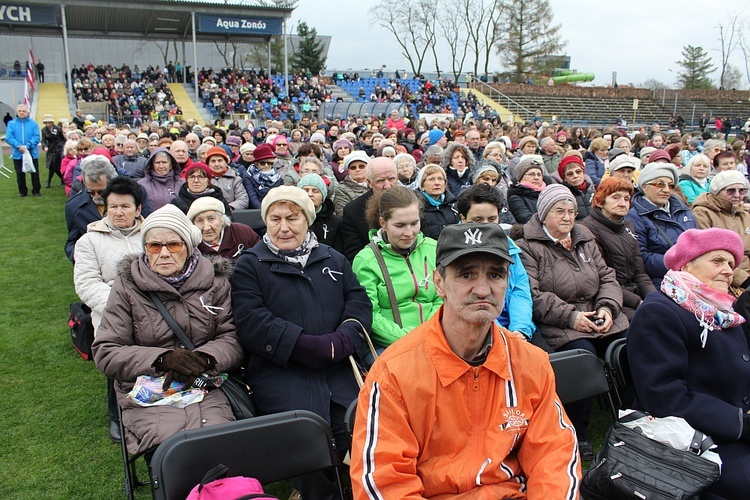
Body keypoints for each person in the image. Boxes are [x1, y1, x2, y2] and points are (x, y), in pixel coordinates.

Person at [350, 223, 580, 499]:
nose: (482, 290)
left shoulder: (531, 362)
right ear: (439, 283)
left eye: (495, 274)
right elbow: (383, 483)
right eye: (466, 274)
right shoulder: (394, 373)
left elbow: (554, 456)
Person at [231, 186, 372, 499]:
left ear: (307, 220)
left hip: (338, 365)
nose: (284, 227)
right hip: (282, 370)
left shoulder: (332, 258)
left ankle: (358, 488)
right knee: (307, 434)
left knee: (359, 422)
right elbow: (251, 320)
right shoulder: (251, 265)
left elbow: (358, 301)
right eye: (275, 219)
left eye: (292, 218)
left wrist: (344, 338)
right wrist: (305, 346)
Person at [92, 204, 244, 456]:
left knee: (221, 444)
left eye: (173, 245)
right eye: (154, 246)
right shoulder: (127, 287)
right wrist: (161, 359)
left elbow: (232, 336)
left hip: (204, 384)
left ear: (188, 246)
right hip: (149, 390)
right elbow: (107, 351)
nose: (163, 253)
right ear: (145, 249)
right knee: (175, 453)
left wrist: (206, 358)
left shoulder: (215, 282)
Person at [628, 228, 750, 498]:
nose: (729, 270)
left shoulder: (722, 313)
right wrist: (740, 422)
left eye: (731, 264)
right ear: (686, 264)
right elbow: (664, 395)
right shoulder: (660, 312)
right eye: (717, 261)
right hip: (695, 439)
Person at [516, 184, 629, 459]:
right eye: (559, 211)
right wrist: (572, 317)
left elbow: (606, 276)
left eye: (571, 211)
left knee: (631, 347)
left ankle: (632, 415)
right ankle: (578, 430)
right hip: (560, 323)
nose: (567, 217)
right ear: (543, 215)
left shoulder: (583, 237)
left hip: (598, 314)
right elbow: (534, 295)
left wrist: (607, 308)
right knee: (581, 358)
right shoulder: (527, 246)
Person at [73, 176, 145, 442]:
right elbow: (87, 283)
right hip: (113, 315)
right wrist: (124, 306)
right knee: (119, 365)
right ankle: (116, 414)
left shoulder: (151, 234)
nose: (118, 212)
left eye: (125, 206)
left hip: (155, 310)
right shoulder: (90, 241)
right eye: (112, 206)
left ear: (138, 209)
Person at [352, 187, 442, 349]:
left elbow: (444, 298)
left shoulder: (433, 248)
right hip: (391, 346)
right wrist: (411, 339)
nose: (409, 232)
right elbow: (370, 314)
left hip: (436, 336)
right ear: (383, 223)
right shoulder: (366, 260)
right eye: (400, 225)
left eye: (414, 223)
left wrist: (430, 332)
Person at [456, 184, 536, 341]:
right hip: (478, 330)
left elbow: (520, 290)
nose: (487, 226)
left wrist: (520, 328)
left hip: (515, 328)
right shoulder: (454, 252)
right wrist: (501, 334)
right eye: (478, 220)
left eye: (492, 219)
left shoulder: (510, 247)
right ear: (463, 218)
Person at [581, 178, 656, 320]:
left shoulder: (628, 226)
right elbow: (599, 279)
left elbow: (640, 273)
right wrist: (638, 302)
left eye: (627, 199)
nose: (622, 203)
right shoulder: (587, 230)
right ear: (600, 201)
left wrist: (653, 297)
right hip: (608, 298)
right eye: (616, 197)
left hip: (633, 293)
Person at [627, 162, 697, 288]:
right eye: (659, 184)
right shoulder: (635, 216)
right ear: (644, 186)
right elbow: (643, 258)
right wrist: (682, 265)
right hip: (662, 280)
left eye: (670, 186)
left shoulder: (683, 210)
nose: (666, 190)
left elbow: (698, 243)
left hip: (692, 275)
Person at [691, 170, 750, 291]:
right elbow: (710, 255)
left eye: (742, 190)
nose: (737, 195)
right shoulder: (702, 213)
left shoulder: (745, 215)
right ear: (717, 192)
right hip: (722, 278)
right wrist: (744, 280)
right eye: (731, 190)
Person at [341, 157, 398, 261]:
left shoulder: (412, 202)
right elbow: (354, 256)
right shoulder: (353, 211)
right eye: (380, 181)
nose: (387, 186)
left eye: (391, 179)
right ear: (369, 182)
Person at [187, 197, 259, 261]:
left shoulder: (243, 232)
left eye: (211, 219)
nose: (206, 228)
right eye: (200, 221)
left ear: (222, 220)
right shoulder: (190, 245)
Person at [298, 173, 342, 250]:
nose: (310, 194)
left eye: (315, 191)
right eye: (306, 190)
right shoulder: (292, 219)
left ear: (323, 196)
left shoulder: (335, 222)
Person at [6, 104, 42, 197]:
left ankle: (36, 190)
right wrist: (18, 146)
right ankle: (22, 191)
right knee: (19, 173)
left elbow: (36, 137)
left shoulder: (33, 123)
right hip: (18, 153)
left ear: (27, 112)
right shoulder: (11, 124)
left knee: (34, 172)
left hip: (32, 152)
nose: (21, 112)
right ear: (17, 112)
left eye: (23, 111)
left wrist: (27, 146)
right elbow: (9, 137)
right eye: (20, 111)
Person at [418, 164, 459, 240]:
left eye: (440, 179)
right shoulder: (417, 207)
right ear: (422, 186)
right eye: (431, 179)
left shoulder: (454, 206)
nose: (437, 183)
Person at [507, 154, 551, 224]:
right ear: (521, 178)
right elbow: (525, 218)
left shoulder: (549, 194)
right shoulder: (516, 197)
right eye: (531, 174)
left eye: (539, 175)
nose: (536, 177)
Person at [203, 146, 248, 211]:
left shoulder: (235, 179)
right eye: (213, 161)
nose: (217, 164)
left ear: (226, 162)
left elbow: (243, 199)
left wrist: (229, 208)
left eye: (220, 160)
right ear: (208, 164)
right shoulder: (204, 179)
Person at [242, 143, 283, 209]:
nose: (266, 165)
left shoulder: (277, 176)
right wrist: (263, 210)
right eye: (262, 163)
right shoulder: (248, 176)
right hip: (257, 211)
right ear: (256, 164)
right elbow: (252, 197)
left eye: (269, 163)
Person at [557, 155, 595, 220]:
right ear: (564, 178)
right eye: (570, 174)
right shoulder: (563, 197)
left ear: (583, 173)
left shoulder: (593, 193)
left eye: (578, 172)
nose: (575, 176)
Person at [334, 151, 370, 217]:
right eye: (353, 168)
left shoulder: (374, 185)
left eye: (361, 166)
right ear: (348, 171)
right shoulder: (341, 190)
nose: (357, 169)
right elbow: (342, 214)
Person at [40, 114, 65, 188]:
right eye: (46, 123)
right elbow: (43, 140)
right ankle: (51, 181)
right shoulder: (44, 130)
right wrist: (44, 147)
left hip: (59, 148)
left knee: (57, 166)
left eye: (49, 122)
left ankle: (57, 180)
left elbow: (63, 138)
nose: (48, 124)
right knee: (51, 166)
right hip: (51, 149)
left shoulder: (58, 128)